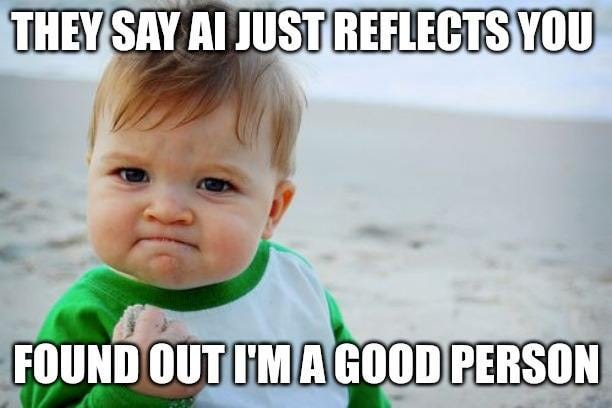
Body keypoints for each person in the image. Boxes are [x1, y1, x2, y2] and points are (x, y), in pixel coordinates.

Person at [21, 1, 389, 406]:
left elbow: (358, 390)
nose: (166, 210)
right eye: (132, 174)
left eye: (214, 184)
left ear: (272, 210)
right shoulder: (88, 316)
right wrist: (133, 393)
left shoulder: (295, 284)